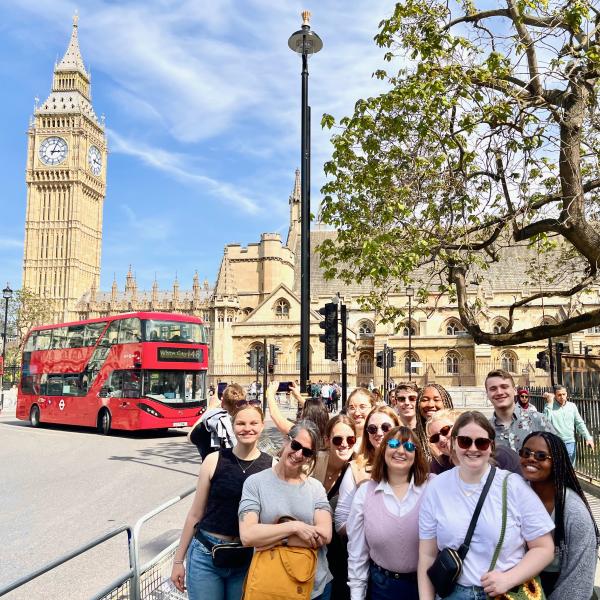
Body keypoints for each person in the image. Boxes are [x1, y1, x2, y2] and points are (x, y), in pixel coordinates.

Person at [418, 411, 555, 600]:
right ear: (455, 443)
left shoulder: (512, 485)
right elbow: (427, 555)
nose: (473, 448)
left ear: (491, 446)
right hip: (455, 593)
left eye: (481, 442)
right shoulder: (436, 487)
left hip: (505, 592)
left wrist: (508, 579)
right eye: (465, 441)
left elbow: (544, 547)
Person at [170, 405, 272, 600]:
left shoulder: (271, 466)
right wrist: (178, 561)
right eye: (241, 423)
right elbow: (195, 514)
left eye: (253, 423)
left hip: (245, 557)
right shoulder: (214, 460)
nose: (247, 428)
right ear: (233, 426)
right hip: (206, 554)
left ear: (262, 426)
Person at [238, 420, 333, 600]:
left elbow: (324, 535)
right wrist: (295, 527)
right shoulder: (255, 483)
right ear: (286, 440)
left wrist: (271, 539)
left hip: (315, 587)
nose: (298, 454)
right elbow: (248, 535)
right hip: (272, 586)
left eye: (306, 452)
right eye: (296, 445)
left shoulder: (315, 488)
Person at [347, 425, 431, 600]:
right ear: (383, 448)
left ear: (416, 455)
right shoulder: (365, 493)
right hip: (382, 587)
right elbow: (357, 552)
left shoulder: (433, 487)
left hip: (428, 586)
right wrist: (356, 595)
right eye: (393, 444)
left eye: (409, 447)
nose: (401, 451)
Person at [519, 431, 599, 599]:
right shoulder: (512, 495)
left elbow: (579, 579)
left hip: (560, 588)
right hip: (517, 585)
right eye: (526, 453)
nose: (531, 459)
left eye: (541, 456)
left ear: (557, 462)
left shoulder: (575, 513)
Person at [335, 406, 400, 534]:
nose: (379, 433)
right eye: (372, 429)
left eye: (386, 427)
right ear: (367, 433)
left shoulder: (410, 464)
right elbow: (340, 522)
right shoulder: (356, 468)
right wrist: (373, 526)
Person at [312, 415, 357, 600]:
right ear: (327, 440)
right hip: (313, 544)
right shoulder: (313, 464)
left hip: (342, 551)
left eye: (350, 439)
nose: (344, 444)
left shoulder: (357, 468)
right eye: (338, 439)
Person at [426, 409, 521, 475]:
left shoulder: (501, 455)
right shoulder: (437, 467)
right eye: (435, 438)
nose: (441, 439)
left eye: (445, 430)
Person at [486, 369, 555, 453]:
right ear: (487, 394)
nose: (499, 392)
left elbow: (558, 455)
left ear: (515, 391)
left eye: (504, 387)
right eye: (493, 389)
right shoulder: (485, 430)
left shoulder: (538, 420)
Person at [189, 383, 258, 459]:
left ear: (222, 402)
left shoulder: (207, 425)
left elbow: (190, 437)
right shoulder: (250, 425)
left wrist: (210, 408)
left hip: (212, 468)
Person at [266, 381, 329, 448]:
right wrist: (298, 396)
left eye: (303, 410)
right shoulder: (327, 432)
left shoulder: (300, 432)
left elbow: (275, 415)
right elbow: (316, 410)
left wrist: (270, 394)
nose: (300, 412)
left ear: (307, 416)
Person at [543, 385, 594, 465]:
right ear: (555, 395)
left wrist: (588, 437)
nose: (562, 397)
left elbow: (579, 423)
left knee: (570, 469)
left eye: (564, 394)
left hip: (570, 442)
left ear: (566, 394)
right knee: (558, 469)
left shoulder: (572, 406)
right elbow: (545, 423)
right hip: (556, 443)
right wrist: (549, 404)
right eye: (559, 395)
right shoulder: (549, 406)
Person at [415, 383, 454, 458]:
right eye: (425, 400)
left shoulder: (460, 435)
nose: (430, 404)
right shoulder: (413, 438)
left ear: (445, 402)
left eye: (436, 400)